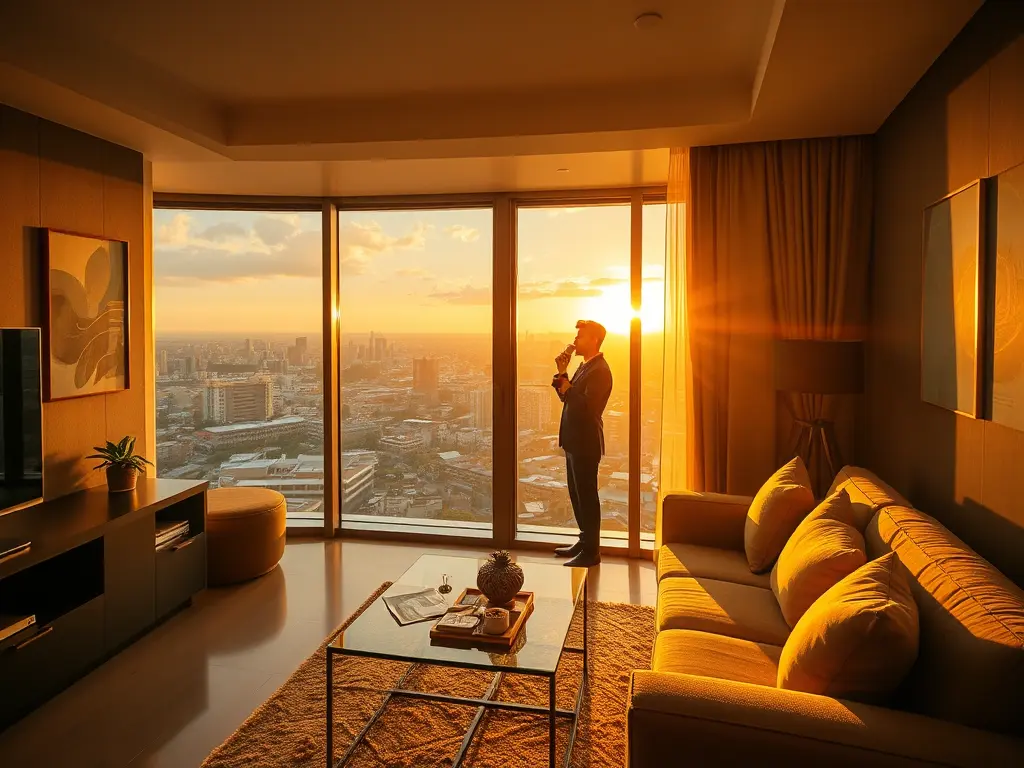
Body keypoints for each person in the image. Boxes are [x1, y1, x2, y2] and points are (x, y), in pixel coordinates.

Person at [551, 319, 612, 567]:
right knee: (577, 495)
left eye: (581, 337)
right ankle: (585, 541)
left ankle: (592, 552)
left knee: (587, 497)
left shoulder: (600, 370)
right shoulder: (585, 366)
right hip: (574, 441)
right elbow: (567, 398)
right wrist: (563, 374)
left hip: (586, 442)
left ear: (594, 340)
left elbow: (589, 408)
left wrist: (567, 384)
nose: (575, 341)